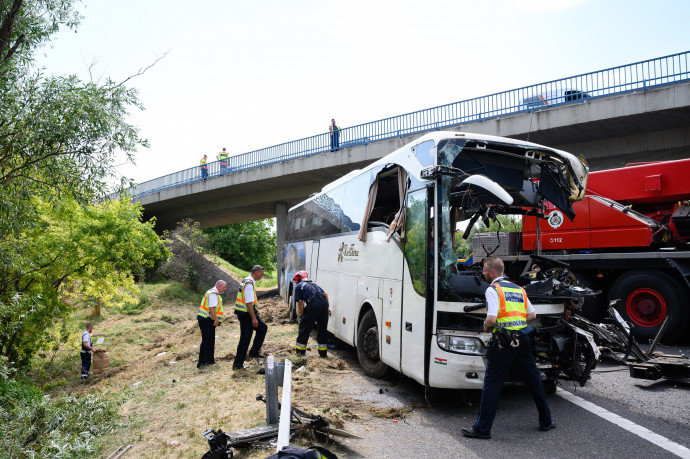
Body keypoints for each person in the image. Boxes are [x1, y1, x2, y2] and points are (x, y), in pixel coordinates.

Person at [461, 256, 556, 439]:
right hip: (523, 339)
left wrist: (486, 327)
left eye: (484, 271)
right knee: (534, 380)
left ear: (492, 272)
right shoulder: (520, 289)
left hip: (504, 342)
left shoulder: (493, 289)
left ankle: (482, 429)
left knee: (492, 383)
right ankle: (546, 421)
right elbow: (532, 314)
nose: (482, 274)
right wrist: (516, 322)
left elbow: (491, 318)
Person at [233, 265, 268, 369]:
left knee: (262, 328)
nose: (262, 276)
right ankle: (238, 364)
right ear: (256, 272)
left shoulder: (248, 281)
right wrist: (254, 318)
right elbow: (248, 303)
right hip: (246, 315)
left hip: (247, 313)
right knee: (245, 338)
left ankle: (253, 352)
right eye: (261, 274)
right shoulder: (248, 283)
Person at [293, 271, 330, 358]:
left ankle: (300, 352)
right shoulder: (313, 283)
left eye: (295, 280)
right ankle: (323, 354)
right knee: (322, 329)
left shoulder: (298, 286)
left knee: (304, 328)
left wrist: (302, 316)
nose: (295, 282)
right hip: (324, 304)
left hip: (313, 305)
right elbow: (326, 294)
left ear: (298, 279)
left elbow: (301, 303)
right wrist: (327, 308)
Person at [197, 280, 226, 368]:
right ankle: (202, 362)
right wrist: (216, 320)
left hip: (207, 319)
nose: (225, 289)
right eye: (224, 287)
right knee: (206, 340)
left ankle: (209, 360)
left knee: (210, 340)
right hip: (207, 319)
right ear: (219, 286)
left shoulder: (213, 293)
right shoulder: (213, 294)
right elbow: (212, 308)